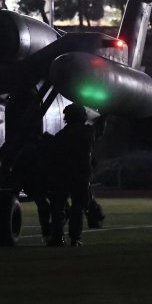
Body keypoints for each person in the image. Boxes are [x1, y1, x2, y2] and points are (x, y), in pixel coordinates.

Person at [46, 103, 96, 247]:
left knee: (58, 207)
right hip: (80, 175)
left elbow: (54, 153)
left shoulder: (63, 134)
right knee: (77, 207)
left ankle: (58, 237)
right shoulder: (87, 132)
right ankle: (75, 238)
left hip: (62, 174)